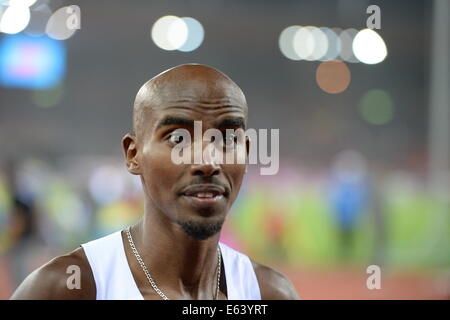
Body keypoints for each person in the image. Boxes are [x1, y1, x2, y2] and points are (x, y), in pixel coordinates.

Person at [11, 64, 299, 300]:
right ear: (133, 155)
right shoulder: (68, 289)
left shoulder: (269, 293)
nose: (208, 162)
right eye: (177, 139)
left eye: (227, 139)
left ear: (247, 154)